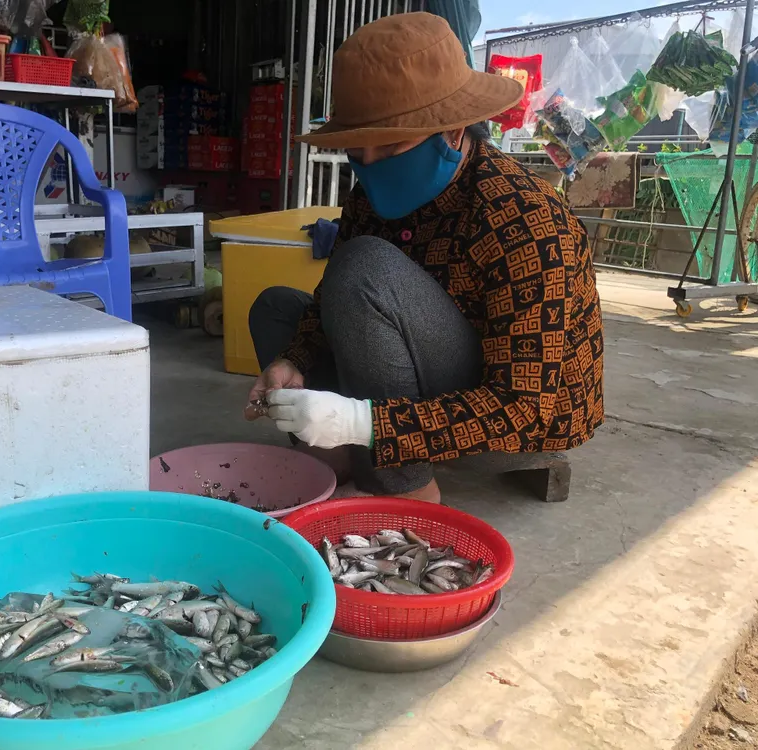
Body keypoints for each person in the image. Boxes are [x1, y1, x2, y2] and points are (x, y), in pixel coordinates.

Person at [244, 12, 604, 504]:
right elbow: (330, 300)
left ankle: (402, 488)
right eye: (357, 151)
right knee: (277, 308)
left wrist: (362, 421)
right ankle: (332, 463)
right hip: (413, 372)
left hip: (505, 417)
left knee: (364, 268)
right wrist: (294, 358)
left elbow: (524, 407)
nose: (371, 167)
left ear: (454, 130)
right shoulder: (369, 197)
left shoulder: (526, 219)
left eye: (391, 146)